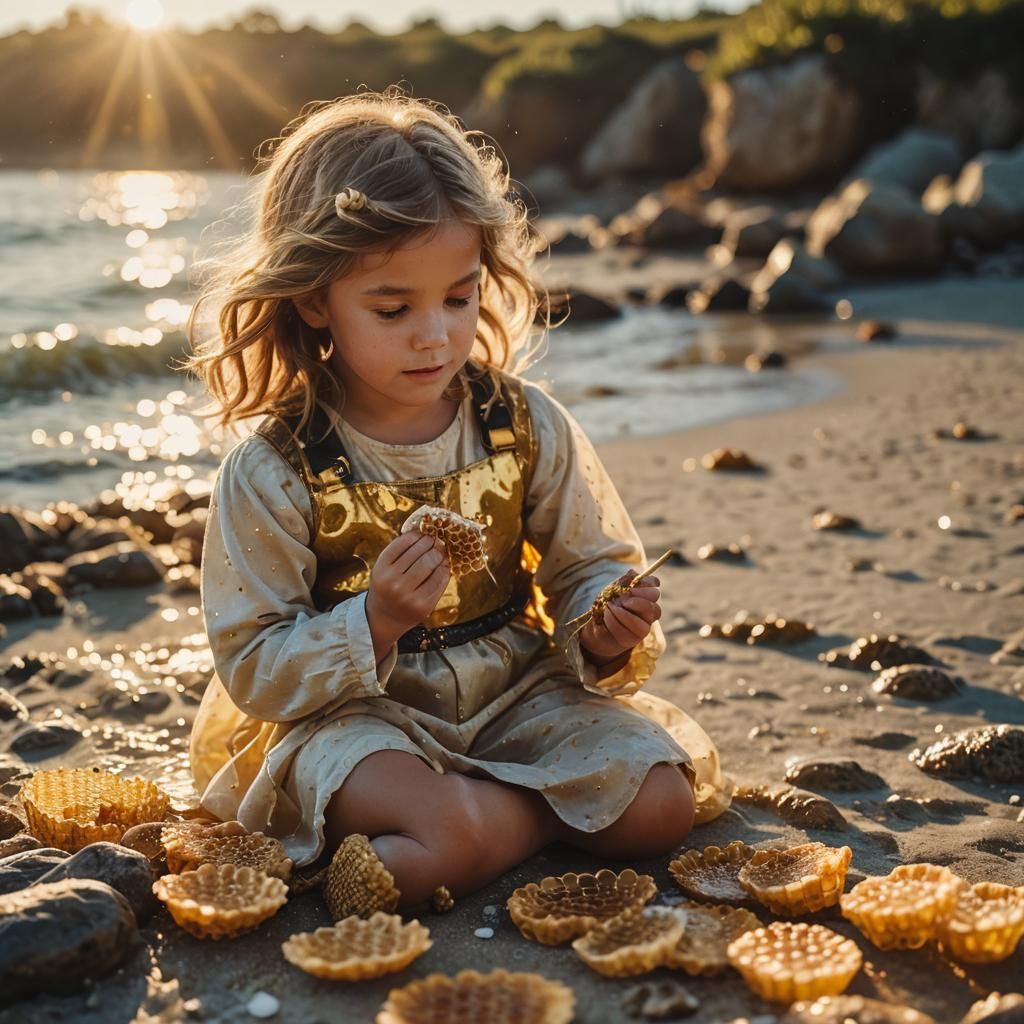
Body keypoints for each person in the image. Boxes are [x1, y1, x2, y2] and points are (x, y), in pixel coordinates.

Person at [186, 90, 729, 915]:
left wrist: (605, 622)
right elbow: (254, 662)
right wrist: (375, 621)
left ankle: (480, 830)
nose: (435, 335)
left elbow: (590, 565)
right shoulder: (277, 467)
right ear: (311, 297)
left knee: (663, 801)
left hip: (519, 690)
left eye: (459, 296)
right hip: (358, 717)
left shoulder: (523, 424)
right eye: (394, 308)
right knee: (404, 807)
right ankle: (517, 820)